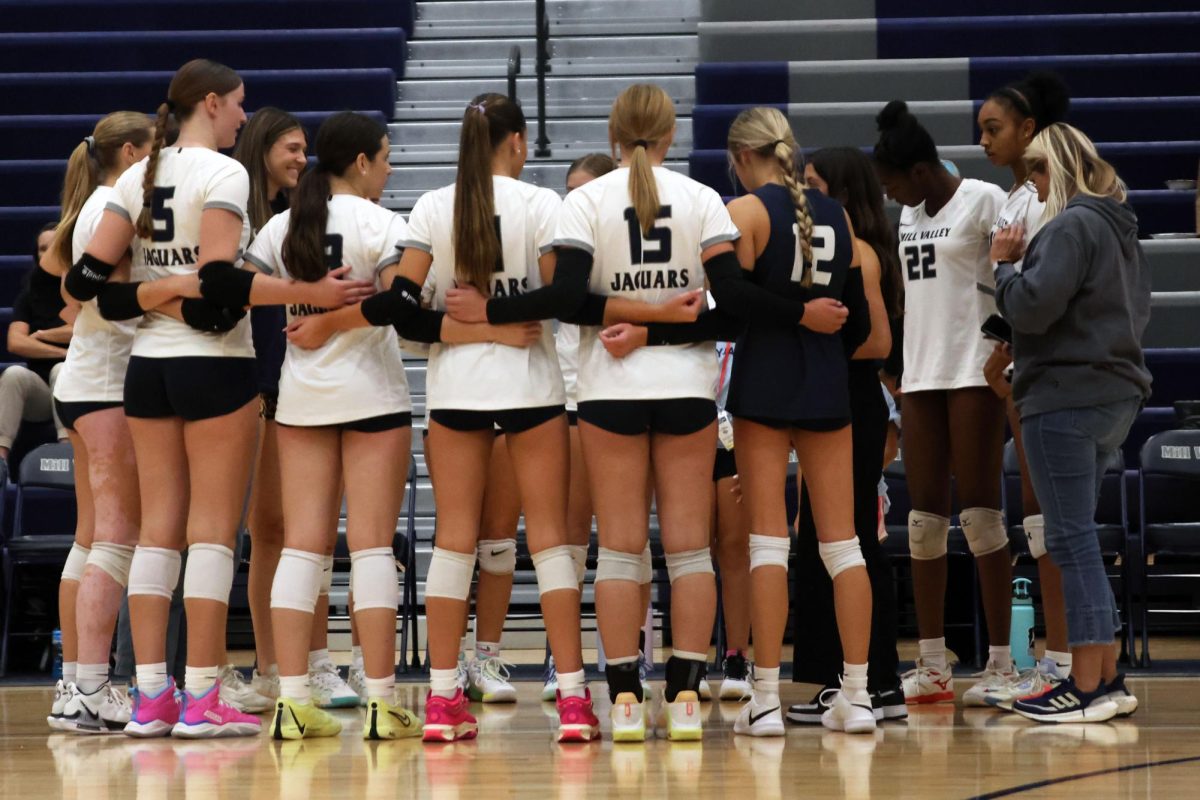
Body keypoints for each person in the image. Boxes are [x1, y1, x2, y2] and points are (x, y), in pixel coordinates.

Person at [66, 59, 371, 739]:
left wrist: (159, 292)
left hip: (146, 369)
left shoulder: (135, 178)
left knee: (156, 535)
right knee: (209, 534)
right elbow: (219, 286)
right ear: (211, 102)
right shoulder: (223, 174)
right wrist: (313, 293)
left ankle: (151, 698)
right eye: (238, 105)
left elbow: (92, 287)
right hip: (215, 369)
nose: (243, 117)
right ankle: (202, 695)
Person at [284, 95, 595, 743]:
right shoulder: (543, 204)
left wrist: (461, 324)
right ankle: (571, 700)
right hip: (533, 389)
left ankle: (446, 701)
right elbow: (561, 297)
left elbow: (397, 306)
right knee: (549, 543)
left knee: (453, 543)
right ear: (518, 142)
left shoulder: (430, 205)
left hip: (456, 391)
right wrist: (498, 321)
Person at [993, 122, 1148, 723]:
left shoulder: (1071, 224)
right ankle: (1106, 676)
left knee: (1070, 540)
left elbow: (1032, 307)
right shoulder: (1117, 226)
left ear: (1056, 167)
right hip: (1112, 394)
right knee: (1079, 536)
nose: (1030, 186)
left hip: (1065, 394)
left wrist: (1004, 266)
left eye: (1035, 172)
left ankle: (1085, 686)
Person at [872, 101, 1015, 705]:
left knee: (980, 516)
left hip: (974, 369)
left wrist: (1004, 348)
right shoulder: (907, 214)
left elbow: (1016, 273)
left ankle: (1003, 663)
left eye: (894, 182)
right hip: (923, 372)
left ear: (923, 171)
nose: (891, 194)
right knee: (924, 523)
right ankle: (932, 665)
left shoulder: (984, 200)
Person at [39, 113, 152, 734]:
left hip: (83, 381)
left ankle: (73, 683)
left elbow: (65, 281)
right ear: (131, 151)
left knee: (89, 537)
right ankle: (92, 687)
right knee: (115, 535)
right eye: (155, 152)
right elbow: (93, 291)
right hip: (108, 384)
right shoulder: (115, 202)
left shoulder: (89, 204)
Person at [789, 146, 906, 724]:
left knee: (850, 543)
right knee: (835, 542)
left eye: (813, 184)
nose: (804, 195)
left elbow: (879, 342)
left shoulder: (856, 252)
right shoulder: (844, 247)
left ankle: (875, 683)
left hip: (853, 403)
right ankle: (858, 681)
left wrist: (808, 343)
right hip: (836, 400)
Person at [977, 72, 1077, 710]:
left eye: (993, 128)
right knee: (1038, 520)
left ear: (1030, 131)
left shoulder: (1048, 200)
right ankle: (1049, 660)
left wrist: (1013, 355)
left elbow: (1043, 295)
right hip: (1020, 364)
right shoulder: (1019, 196)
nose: (983, 139)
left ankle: (1064, 664)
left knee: (1051, 524)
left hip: (1049, 369)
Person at [543, 152, 654, 703]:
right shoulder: (564, 237)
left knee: (628, 542)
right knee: (568, 541)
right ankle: (561, 661)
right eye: (568, 189)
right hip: (563, 399)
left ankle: (629, 653)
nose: (573, 199)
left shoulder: (617, 235)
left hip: (619, 393)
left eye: (582, 189)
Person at [1, 224, 70, 465]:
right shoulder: (28, 296)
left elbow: (82, 330)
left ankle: (67, 451)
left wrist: (40, 335)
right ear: (37, 255)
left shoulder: (80, 289)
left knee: (61, 370)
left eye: (55, 247)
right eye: (43, 249)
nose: (48, 253)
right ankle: (0, 458)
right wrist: (63, 349)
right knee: (13, 374)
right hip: (41, 393)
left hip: (79, 389)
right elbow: (15, 342)